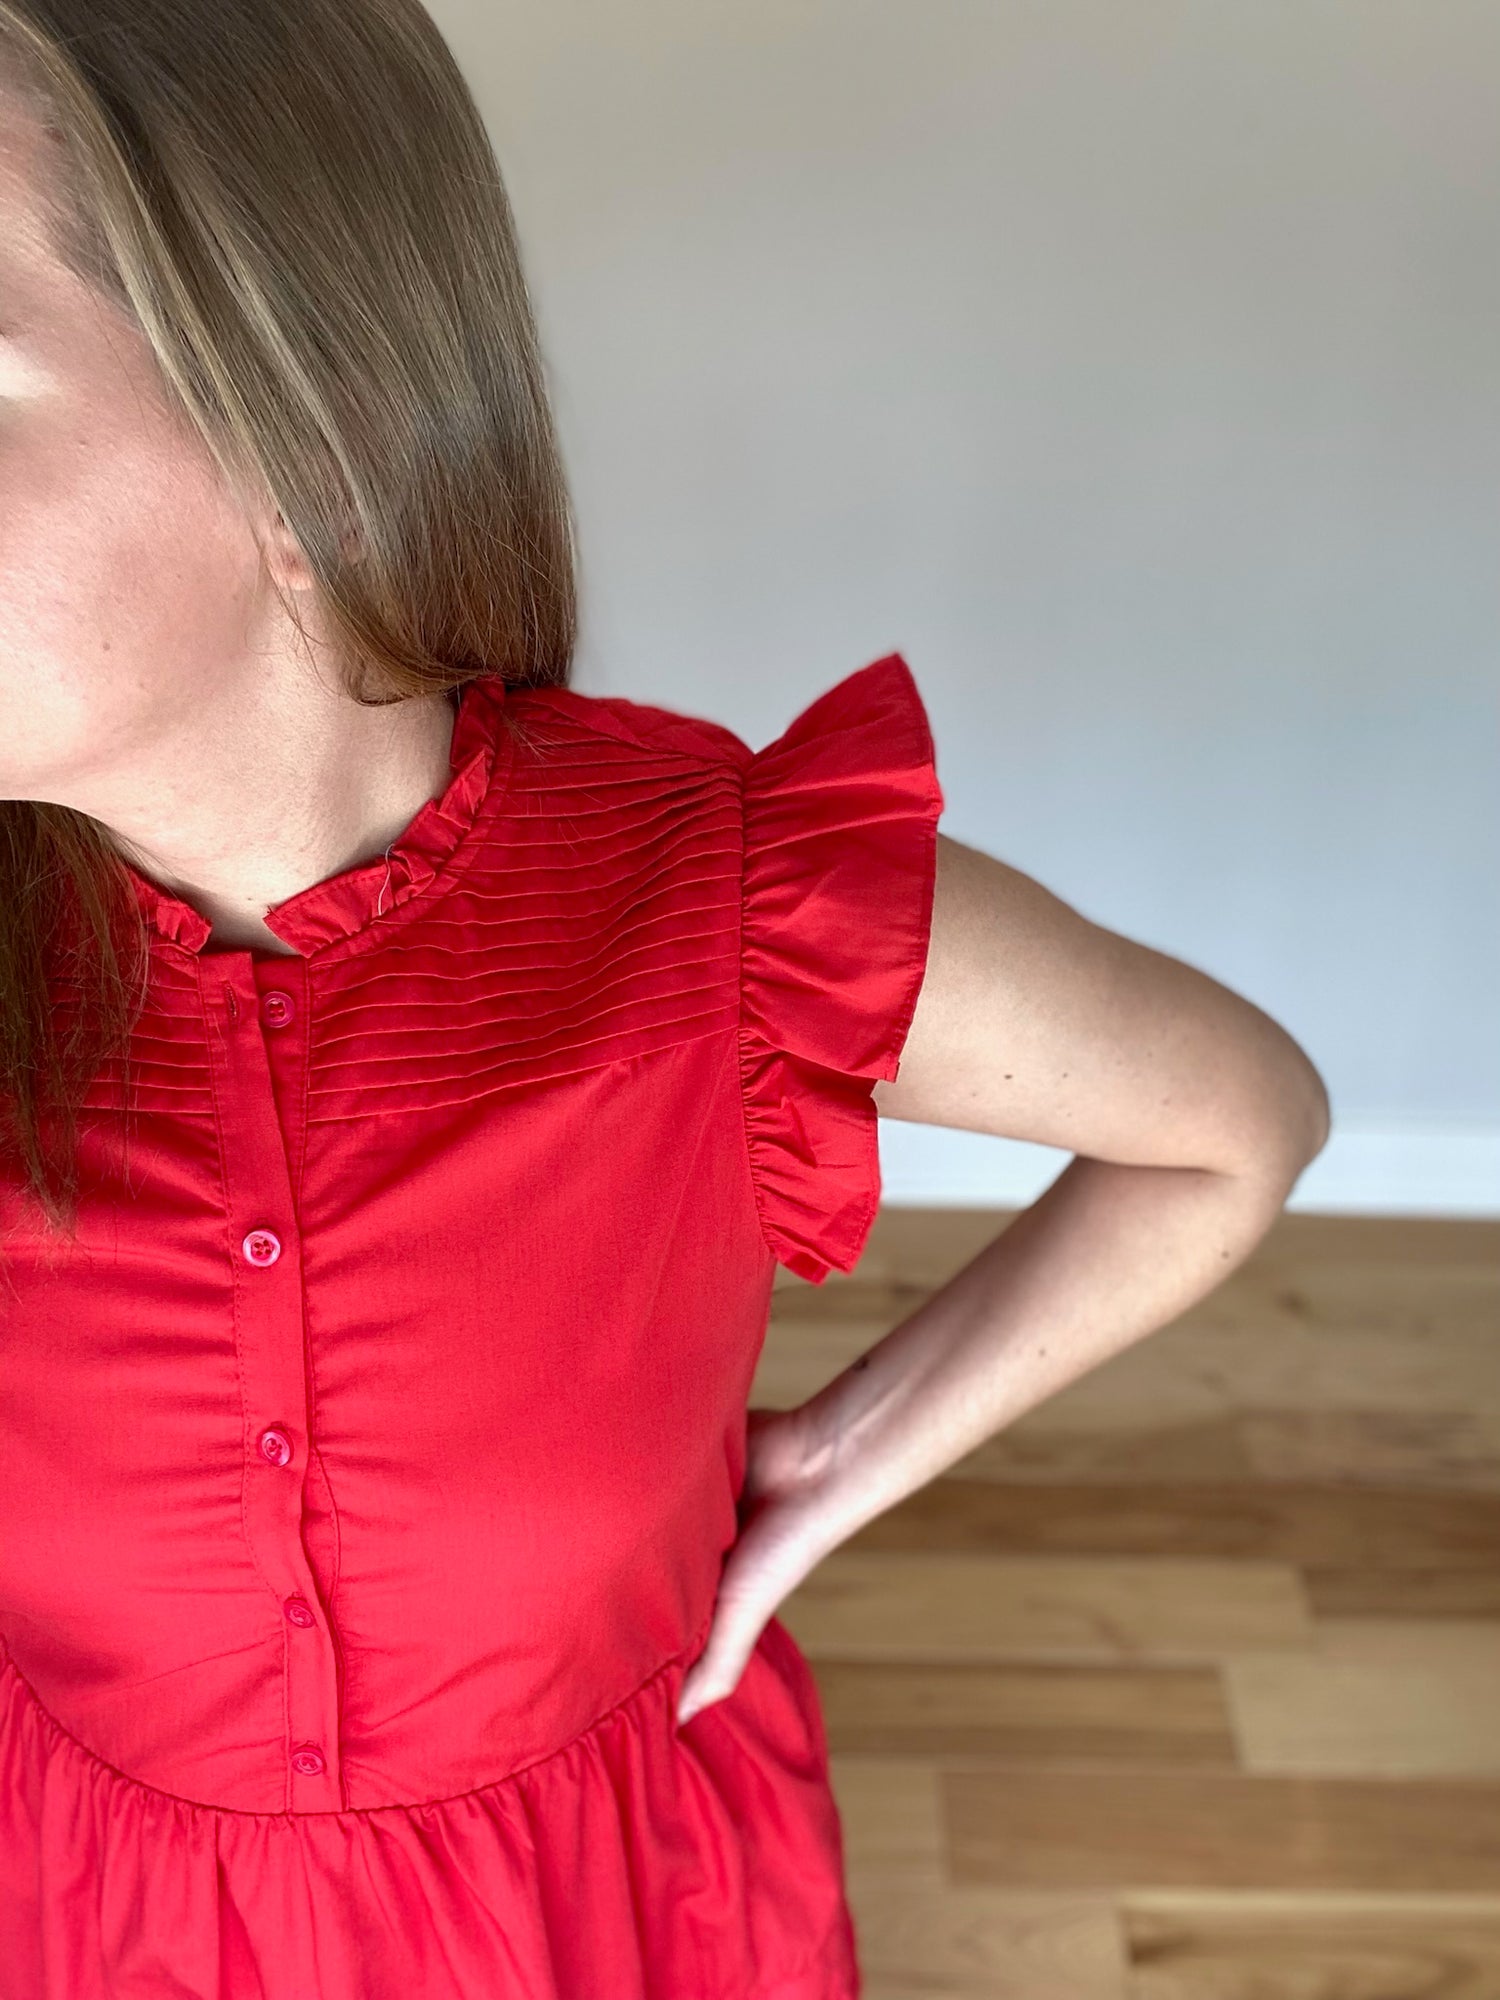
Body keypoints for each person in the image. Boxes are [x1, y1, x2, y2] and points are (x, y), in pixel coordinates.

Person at [0, 3, 1330, 1996]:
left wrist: (843, 1460)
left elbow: (1236, 1124)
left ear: (316, 442)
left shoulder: (725, 910)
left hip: (595, 1924)